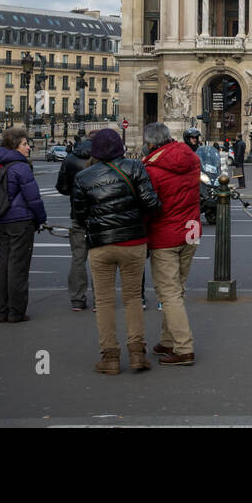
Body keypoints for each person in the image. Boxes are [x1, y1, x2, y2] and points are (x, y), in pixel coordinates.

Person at [72, 128, 162, 374]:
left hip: (101, 245)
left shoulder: (84, 177)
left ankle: (110, 357)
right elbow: (152, 204)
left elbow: (78, 217)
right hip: (133, 242)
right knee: (133, 298)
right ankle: (136, 353)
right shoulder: (135, 168)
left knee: (104, 301)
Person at [143, 121, 200, 365]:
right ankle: (168, 340)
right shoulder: (191, 159)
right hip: (191, 231)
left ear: (151, 143)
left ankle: (183, 347)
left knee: (168, 292)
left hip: (166, 234)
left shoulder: (151, 169)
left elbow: (149, 207)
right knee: (178, 288)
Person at [0, 126, 47, 323]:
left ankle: (2, 310)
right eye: (24, 144)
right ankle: (16, 312)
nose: (28, 147)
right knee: (18, 267)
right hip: (21, 221)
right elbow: (34, 199)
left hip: (2, 219)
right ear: (15, 145)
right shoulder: (21, 167)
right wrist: (40, 219)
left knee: (3, 264)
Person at [55, 134, 94, 310]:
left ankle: (77, 299)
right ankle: (100, 299)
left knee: (78, 258)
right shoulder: (103, 158)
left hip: (77, 214)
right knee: (98, 259)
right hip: (100, 216)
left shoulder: (70, 159)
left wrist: (74, 193)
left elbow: (61, 187)